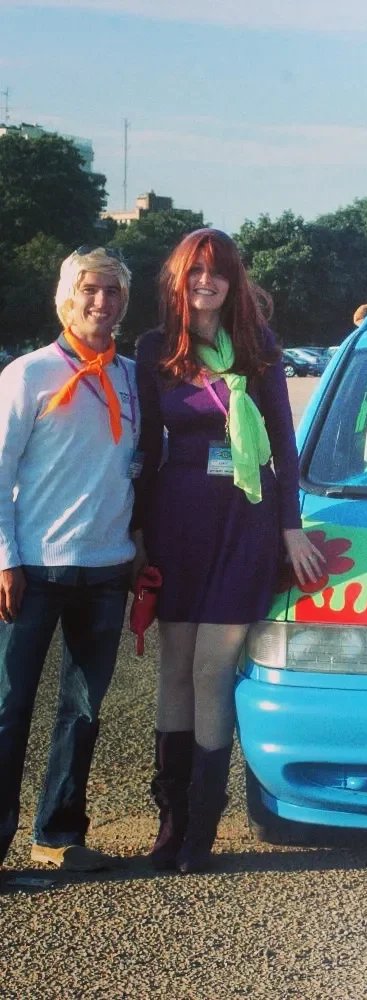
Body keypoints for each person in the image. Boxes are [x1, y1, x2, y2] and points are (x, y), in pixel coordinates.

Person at [133, 228, 323, 874]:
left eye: (216, 273)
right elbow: (142, 452)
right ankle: (171, 820)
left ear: (232, 281)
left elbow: (284, 441)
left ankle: (202, 829)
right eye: (195, 274)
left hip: (246, 522)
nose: (205, 284)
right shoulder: (154, 350)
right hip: (178, 520)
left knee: (213, 671)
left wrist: (291, 525)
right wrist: (135, 535)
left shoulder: (259, 348)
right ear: (178, 281)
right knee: (174, 668)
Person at [0, 247, 136, 878]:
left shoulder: (133, 380)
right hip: (31, 570)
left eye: (112, 292)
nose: (100, 302)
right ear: (65, 296)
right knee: (7, 709)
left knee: (82, 711)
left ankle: (57, 833)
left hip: (106, 569)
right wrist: (4, 559)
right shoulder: (25, 376)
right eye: (89, 290)